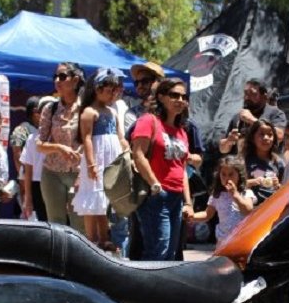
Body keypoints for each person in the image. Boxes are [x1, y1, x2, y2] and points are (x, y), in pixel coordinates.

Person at [132, 78, 193, 260]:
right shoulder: (148, 121)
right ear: (161, 97)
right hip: (156, 196)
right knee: (157, 251)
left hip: (176, 198)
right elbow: (138, 154)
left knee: (171, 253)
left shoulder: (181, 131)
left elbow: (182, 168)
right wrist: (154, 184)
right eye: (174, 95)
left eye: (184, 96)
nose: (180, 100)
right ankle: (145, 288)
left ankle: (161, 289)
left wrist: (188, 202)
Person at [73, 68, 128, 251]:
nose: (114, 94)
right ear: (98, 89)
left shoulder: (112, 112)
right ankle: (92, 238)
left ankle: (104, 237)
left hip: (111, 159)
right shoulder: (89, 112)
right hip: (97, 158)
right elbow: (87, 138)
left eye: (116, 90)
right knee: (93, 197)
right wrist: (91, 163)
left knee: (103, 200)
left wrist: (126, 153)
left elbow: (120, 136)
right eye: (110, 90)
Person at [35, 62, 86, 233]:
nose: (57, 80)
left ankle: (79, 260)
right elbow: (40, 145)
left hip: (79, 173)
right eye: (55, 76)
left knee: (80, 225)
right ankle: (58, 259)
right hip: (52, 173)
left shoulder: (87, 108)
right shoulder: (50, 108)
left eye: (62, 76)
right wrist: (59, 148)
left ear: (76, 80)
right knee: (55, 225)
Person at [190, 156, 256, 244]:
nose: (227, 178)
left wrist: (235, 194)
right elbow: (207, 214)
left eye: (231, 174)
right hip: (223, 240)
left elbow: (248, 211)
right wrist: (192, 216)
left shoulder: (246, 193)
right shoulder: (217, 195)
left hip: (242, 238)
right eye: (223, 174)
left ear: (239, 175)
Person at [217, 79, 287, 156]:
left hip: (265, 164)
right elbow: (223, 149)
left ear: (264, 96)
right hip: (242, 164)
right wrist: (228, 141)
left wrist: (252, 120)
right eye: (245, 93)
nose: (247, 97)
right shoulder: (238, 117)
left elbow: (279, 136)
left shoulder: (275, 113)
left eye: (252, 94)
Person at [10, 95, 42, 217]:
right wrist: (24, 179)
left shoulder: (41, 130)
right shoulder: (22, 129)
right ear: (35, 112)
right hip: (28, 182)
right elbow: (16, 152)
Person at [243, 120, 283, 202]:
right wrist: (253, 182)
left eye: (270, 135)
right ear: (252, 138)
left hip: (273, 205)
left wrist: (277, 185)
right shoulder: (244, 161)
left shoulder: (278, 162)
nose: (266, 138)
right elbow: (236, 185)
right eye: (261, 134)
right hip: (254, 208)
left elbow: (285, 188)